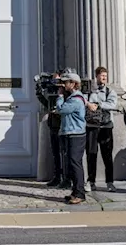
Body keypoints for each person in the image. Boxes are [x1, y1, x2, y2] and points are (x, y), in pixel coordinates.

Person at [55, 70, 88, 205]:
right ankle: (75, 191)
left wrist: (60, 97)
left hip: (75, 135)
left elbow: (61, 110)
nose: (63, 85)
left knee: (75, 163)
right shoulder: (73, 98)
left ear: (74, 84)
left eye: (66, 82)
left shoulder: (75, 100)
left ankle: (80, 193)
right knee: (71, 163)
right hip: (70, 133)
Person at [84, 66, 118, 192]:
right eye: (102, 75)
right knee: (91, 155)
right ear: (96, 76)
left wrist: (98, 105)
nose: (104, 78)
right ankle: (91, 181)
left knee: (107, 156)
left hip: (105, 126)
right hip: (92, 126)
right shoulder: (89, 91)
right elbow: (84, 102)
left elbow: (113, 105)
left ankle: (110, 182)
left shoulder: (110, 92)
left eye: (105, 76)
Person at [40, 69, 68, 189]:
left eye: (57, 80)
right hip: (53, 126)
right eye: (53, 80)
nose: (55, 82)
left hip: (62, 126)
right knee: (55, 153)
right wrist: (39, 91)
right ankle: (57, 177)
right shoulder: (53, 92)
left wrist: (61, 93)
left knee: (65, 154)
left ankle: (67, 178)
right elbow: (48, 105)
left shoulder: (67, 93)